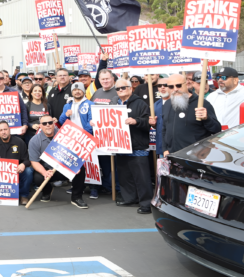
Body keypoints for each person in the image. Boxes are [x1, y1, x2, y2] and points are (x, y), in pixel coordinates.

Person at [106, 79, 152, 214]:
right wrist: (96, 122)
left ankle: (146, 203)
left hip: (137, 145)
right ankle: (129, 198)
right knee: (124, 176)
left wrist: (136, 121)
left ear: (131, 88)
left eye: (123, 88)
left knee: (141, 177)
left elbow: (148, 122)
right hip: (120, 145)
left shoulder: (140, 104)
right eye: (118, 89)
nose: (120, 91)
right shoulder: (114, 103)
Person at [28, 115, 87, 208]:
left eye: (50, 123)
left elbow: (75, 153)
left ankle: (76, 197)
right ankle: (47, 190)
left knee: (80, 169)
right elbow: (34, 162)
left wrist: (75, 165)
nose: (48, 125)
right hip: (48, 169)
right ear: (40, 126)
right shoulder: (34, 141)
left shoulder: (65, 135)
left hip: (64, 167)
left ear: (54, 123)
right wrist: (44, 172)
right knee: (37, 177)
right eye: (44, 123)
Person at [162, 73, 221, 156]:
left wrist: (207, 118)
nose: (175, 89)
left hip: (195, 156)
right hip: (173, 155)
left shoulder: (202, 104)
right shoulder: (167, 104)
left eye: (178, 85)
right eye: (171, 87)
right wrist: (165, 149)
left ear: (186, 84)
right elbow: (164, 128)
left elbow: (216, 129)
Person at [60, 82, 97, 199]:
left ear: (83, 91)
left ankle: (93, 188)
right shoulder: (67, 105)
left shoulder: (90, 104)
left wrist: (83, 135)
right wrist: (66, 115)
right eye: (74, 90)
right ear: (72, 92)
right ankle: (76, 186)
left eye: (79, 90)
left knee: (91, 164)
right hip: (71, 139)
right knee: (75, 165)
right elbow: (62, 122)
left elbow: (91, 122)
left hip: (85, 138)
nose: (77, 91)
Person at [0, 120, 33, 204]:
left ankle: (23, 196)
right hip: (0, 175)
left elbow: (27, 160)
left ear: (9, 129)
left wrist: (23, 164)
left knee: (29, 171)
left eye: (5, 129)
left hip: (16, 172)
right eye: (1, 130)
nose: (3, 132)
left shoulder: (19, 142)